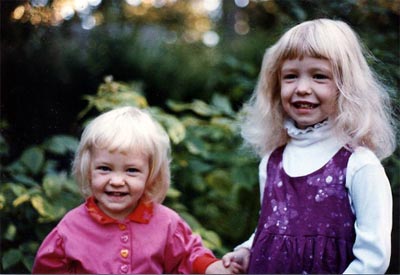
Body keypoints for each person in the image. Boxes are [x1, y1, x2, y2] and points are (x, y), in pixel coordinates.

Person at [222, 18, 396, 274]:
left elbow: (373, 259)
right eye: (291, 76)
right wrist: (246, 250)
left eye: (319, 76)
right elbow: (270, 228)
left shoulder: (358, 165)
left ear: (345, 87)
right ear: (275, 86)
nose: (302, 88)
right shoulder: (272, 161)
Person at [32, 106, 232, 274]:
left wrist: (212, 267)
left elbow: (189, 256)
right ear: (89, 170)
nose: (117, 181)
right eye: (105, 168)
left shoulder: (167, 223)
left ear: (151, 175)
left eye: (132, 170)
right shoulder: (71, 227)